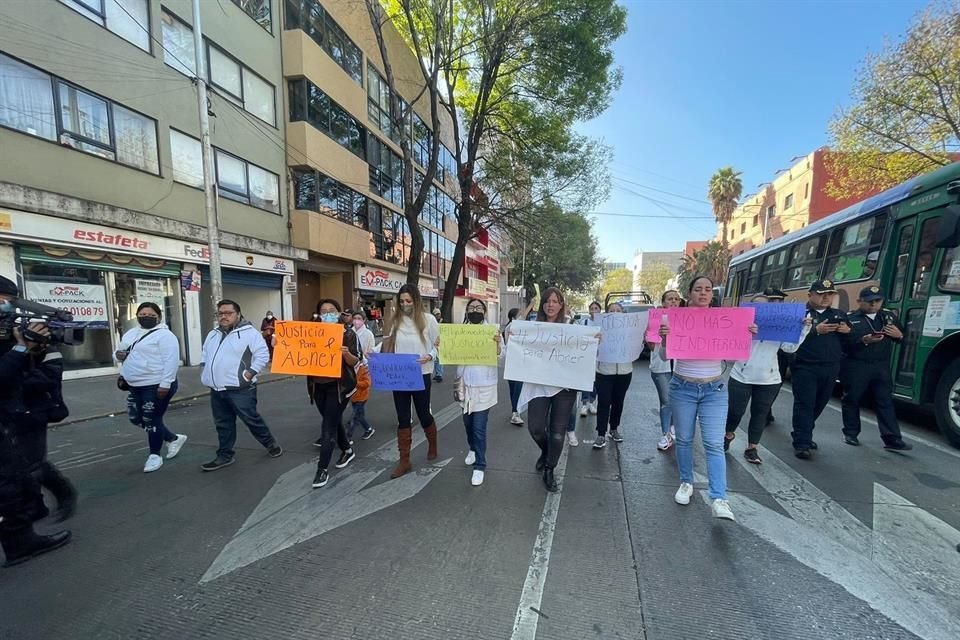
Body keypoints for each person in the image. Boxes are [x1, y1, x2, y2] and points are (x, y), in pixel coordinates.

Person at [660, 276, 756, 521]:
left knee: (714, 444)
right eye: (697, 289)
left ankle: (719, 498)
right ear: (689, 293)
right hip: (683, 388)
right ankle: (686, 483)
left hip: (714, 390)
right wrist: (664, 338)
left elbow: (736, 357)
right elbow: (663, 356)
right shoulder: (676, 319)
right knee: (684, 439)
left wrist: (747, 336)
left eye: (707, 290)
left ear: (712, 295)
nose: (703, 293)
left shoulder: (724, 320)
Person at [0, 276, 72, 567]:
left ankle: (27, 522)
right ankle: (21, 540)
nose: (8, 306)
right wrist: (21, 349)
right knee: (14, 476)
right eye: (5, 300)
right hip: (13, 415)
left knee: (20, 471)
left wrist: (30, 350)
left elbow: (46, 372)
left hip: (22, 413)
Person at [516, 287, 595, 492]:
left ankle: (550, 468)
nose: (551, 305)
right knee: (535, 428)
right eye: (547, 301)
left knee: (558, 433)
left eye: (555, 301)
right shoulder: (533, 326)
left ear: (562, 305)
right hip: (538, 385)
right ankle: (546, 451)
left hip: (564, 387)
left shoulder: (572, 326)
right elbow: (512, 331)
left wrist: (595, 341)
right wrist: (526, 309)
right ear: (542, 304)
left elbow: (586, 347)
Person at [724, 293, 810, 464]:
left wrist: (803, 329)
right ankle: (728, 434)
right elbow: (729, 349)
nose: (760, 309)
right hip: (741, 375)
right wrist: (744, 332)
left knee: (760, 414)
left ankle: (752, 448)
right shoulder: (740, 324)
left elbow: (789, 348)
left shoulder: (777, 326)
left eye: (765, 306)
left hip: (768, 378)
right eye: (756, 306)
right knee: (735, 411)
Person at [199, 300, 283, 471]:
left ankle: (270, 444)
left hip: (241, 389)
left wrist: (250, 373)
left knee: (251, 419)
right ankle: (224, 455)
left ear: (238, 314)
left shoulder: (249, 333)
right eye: (220, 313)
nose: (224, 316)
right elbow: (206, 353)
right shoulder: (213, 334)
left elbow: (262, 355)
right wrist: (204, 369)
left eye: (228, 313)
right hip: (217, 389)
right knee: (223, 423)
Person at [116, 302, 187, 473]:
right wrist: (117, 356)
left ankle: (155, 455)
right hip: (134, 384)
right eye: (143, 314)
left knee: (152, 419)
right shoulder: (131, 333)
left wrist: (165, 385)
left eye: (151, 314)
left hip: (156, 384)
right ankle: (172, 438)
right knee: (135, 417)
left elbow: (171, 361)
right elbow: (121, 351)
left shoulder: (165, 336)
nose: (146, 317)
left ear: (158, 317)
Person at [840, 286, 912, 450]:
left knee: (885, 401)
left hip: (881, 365)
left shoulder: (889, 317)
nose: (874, 305)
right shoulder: (850, 317)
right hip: (857, 365)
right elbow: (843, 344)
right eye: (869, 301)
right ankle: (851, 433)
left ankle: (892, 438)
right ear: (860, 301)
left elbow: (903, 338)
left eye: (877, 301)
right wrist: (864, 340)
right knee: (852, 399)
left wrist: (899, 336)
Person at [380, 284, 440, 479]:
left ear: (416, 300)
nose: (405, 304)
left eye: (408, 300)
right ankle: (404, 460)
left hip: (421, 373)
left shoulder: (429, 320)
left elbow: (439, 345)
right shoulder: (395, 321)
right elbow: (386, 343)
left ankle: (433, 443)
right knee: (403, 417)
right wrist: (372, 352)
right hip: (399, 374)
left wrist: (430, 356)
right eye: (402, 301)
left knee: (423, 414)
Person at [790, 280, 851, 459]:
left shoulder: (839, 314)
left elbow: (850, 341)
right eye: (821, 293)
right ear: (810, 295)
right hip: (805, 365)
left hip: (830, 367)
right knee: (805, 404)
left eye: (830, 294)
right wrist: (815, 330)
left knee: (820, 403)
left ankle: (804, 432)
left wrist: (848, 331)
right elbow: (789, 339)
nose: (826, 297)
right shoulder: (800, 313)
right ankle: (802, 442)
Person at [309, 299, 361, 488]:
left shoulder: (348, 334)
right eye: (324, 311)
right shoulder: (311, 333)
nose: (328, 314)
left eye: (332, 310)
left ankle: (322, 469)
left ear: (339, 313)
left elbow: (356, 361)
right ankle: (347, 449)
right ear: (318, 315)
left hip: (339, 388)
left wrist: (346, 354)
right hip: (318, 386)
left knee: (327, 426)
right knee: (333, 420)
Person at [457, 298, 502, 486]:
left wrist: (498, 345)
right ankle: (473, 449)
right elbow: (450, 353)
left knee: (478, 427)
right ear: (466, 311)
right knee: (467, 424)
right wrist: (440, 345)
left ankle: (480, 466)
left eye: (478, 308)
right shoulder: (459, 332)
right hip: (465, 386)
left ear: (485, 311)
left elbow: (502, 356)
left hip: (485, 387)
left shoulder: (493, 332)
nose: (474, 310)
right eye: (471, 308)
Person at [591, 302, 635, 448]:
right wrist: (595, 342)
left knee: (618, 402)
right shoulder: (599, 329)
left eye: (618, 310)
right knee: (603, 402)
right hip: (604, 371)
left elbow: (638, 347)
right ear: (606, 314)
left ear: (623, 313)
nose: (615, 313)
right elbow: (592, 351)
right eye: (611, 310)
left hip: (624, 372)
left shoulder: (631, 330)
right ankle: (601, 434)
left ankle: (614, 428)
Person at [649, 290, 682, 451]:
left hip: (681, 368)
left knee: (679, 401)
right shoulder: (655, 319)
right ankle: (666, 433)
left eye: (676, 299)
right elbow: (650, 345)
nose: (674, 302)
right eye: (670, 299)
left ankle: (674, 426)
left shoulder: (686, 319)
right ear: (663, 302)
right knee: (666, 401)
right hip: (661, 367)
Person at [762, 287, 792, 426]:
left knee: (774, 385)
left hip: (780, 356)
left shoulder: (787, 317)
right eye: (772, 300)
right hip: (760, 357)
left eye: (779, 300)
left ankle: (766, 410)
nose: (776, 303)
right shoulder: (756, 314)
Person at [347, 311, 376, 441]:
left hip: (362, 366)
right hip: (350, 367)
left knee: (358, 404)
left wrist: (363, 359)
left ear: (364, 320)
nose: (356, 321)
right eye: (354, 318)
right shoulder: (349, 332)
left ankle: (349, 435)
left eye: (359, 318)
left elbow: (371, 352)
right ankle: (366, 426)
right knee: (356, 405)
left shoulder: (368, 334)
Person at [578, 301, 602, 417]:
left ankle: (592, 402)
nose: (593, 310)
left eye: (596, 308)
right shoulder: (584, 322)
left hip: (599, 357)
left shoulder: (604, 323)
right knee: (585, 380)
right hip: (587, 356)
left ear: (600, 310)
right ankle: (584, 403)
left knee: (595, 382)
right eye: (591, 308)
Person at [503, 307, 525, 425]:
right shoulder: (512, 327)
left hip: (513, 362)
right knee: (517, 388)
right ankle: (515, 412)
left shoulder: (510, 327)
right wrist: (531, 305)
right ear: (513, 318)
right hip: (515, 363)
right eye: (519, 315)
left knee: (514, 388)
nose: (522, 317)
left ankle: (515, 412)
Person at [431, 308, 444, 382]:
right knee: (435, 359)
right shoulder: (432, 321)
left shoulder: (443, 321)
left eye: (438, 314)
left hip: (441, 341)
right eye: (436, 314)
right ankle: (437, 374)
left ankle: (439, 374)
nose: (438, 316)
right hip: (434, 341)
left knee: (439, 358)